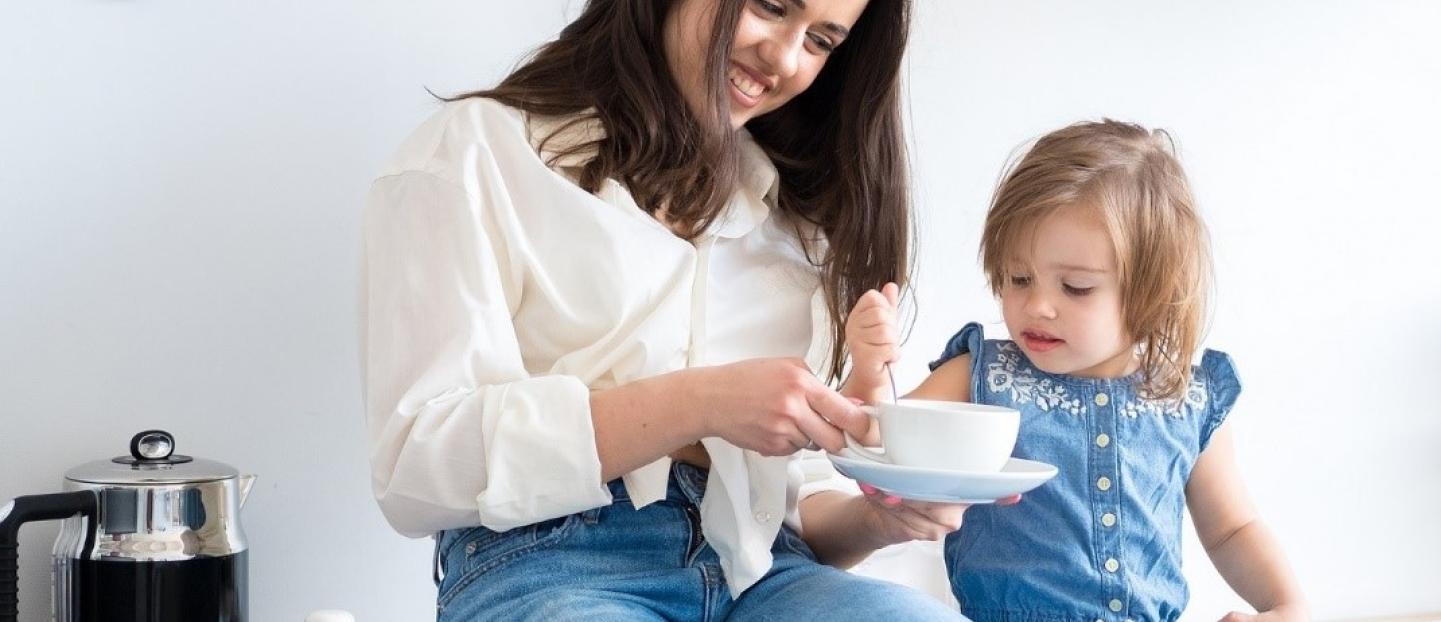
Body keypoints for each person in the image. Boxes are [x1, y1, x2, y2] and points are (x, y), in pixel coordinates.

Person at [359, 0, 970, 619]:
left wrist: (878, 519)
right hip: (548, 569)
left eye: (820, 41)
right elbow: (418, 466)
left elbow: (790, 506)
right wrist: (702, 402)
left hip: (762, 577)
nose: (784, 59)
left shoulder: (795, 224)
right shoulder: (479, 151)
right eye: (772, 6)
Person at [849, 120, 1310, 622]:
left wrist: (1285, 606)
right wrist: (872, 374)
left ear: (1153, 292)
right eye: (1019, 278)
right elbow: (882, 437)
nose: (1038, 306)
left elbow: (1232, 529)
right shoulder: (982, 375)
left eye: (1076, 287)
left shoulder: (1186, 397)